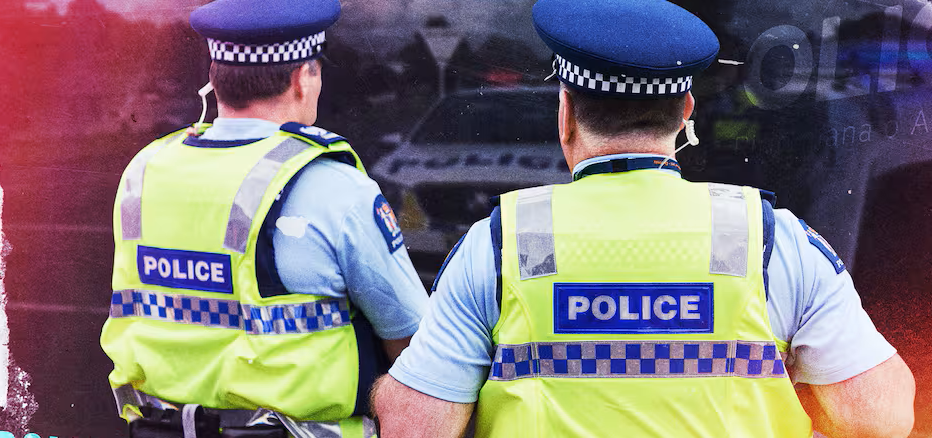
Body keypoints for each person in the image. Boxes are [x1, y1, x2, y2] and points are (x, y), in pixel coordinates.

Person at [371, 0, 915, 437]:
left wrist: (379, 392)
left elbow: (417, 427)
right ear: (685, 115)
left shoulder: (506, 242)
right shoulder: (770, 239)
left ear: (565, 113)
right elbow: (880, 417)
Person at [99, 0, 427, 436]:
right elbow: (413, 343)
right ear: (300, 79)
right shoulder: (332, 188)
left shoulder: (145, 171)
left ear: (215, 79)